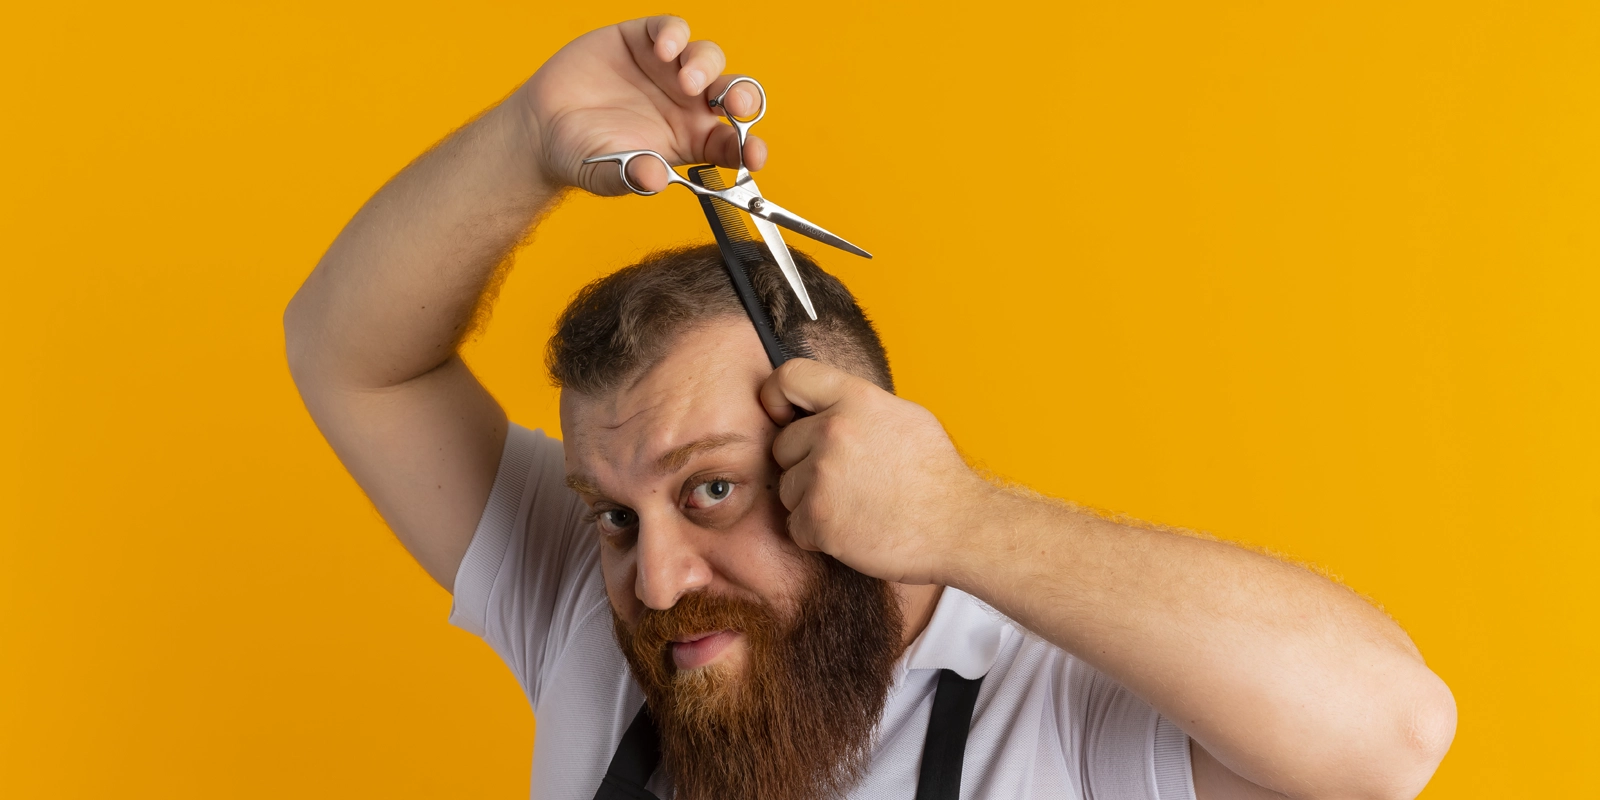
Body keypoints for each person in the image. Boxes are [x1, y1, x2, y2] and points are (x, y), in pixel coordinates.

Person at [284, 15, 1456, 800]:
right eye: (614, 513)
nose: (653, 578)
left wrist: (961, 520)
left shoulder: (1052, 709)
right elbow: (350, 356)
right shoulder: (605, 631)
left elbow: (1391, 730)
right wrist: (529, 138)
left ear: (845, 453)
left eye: (712, 487)